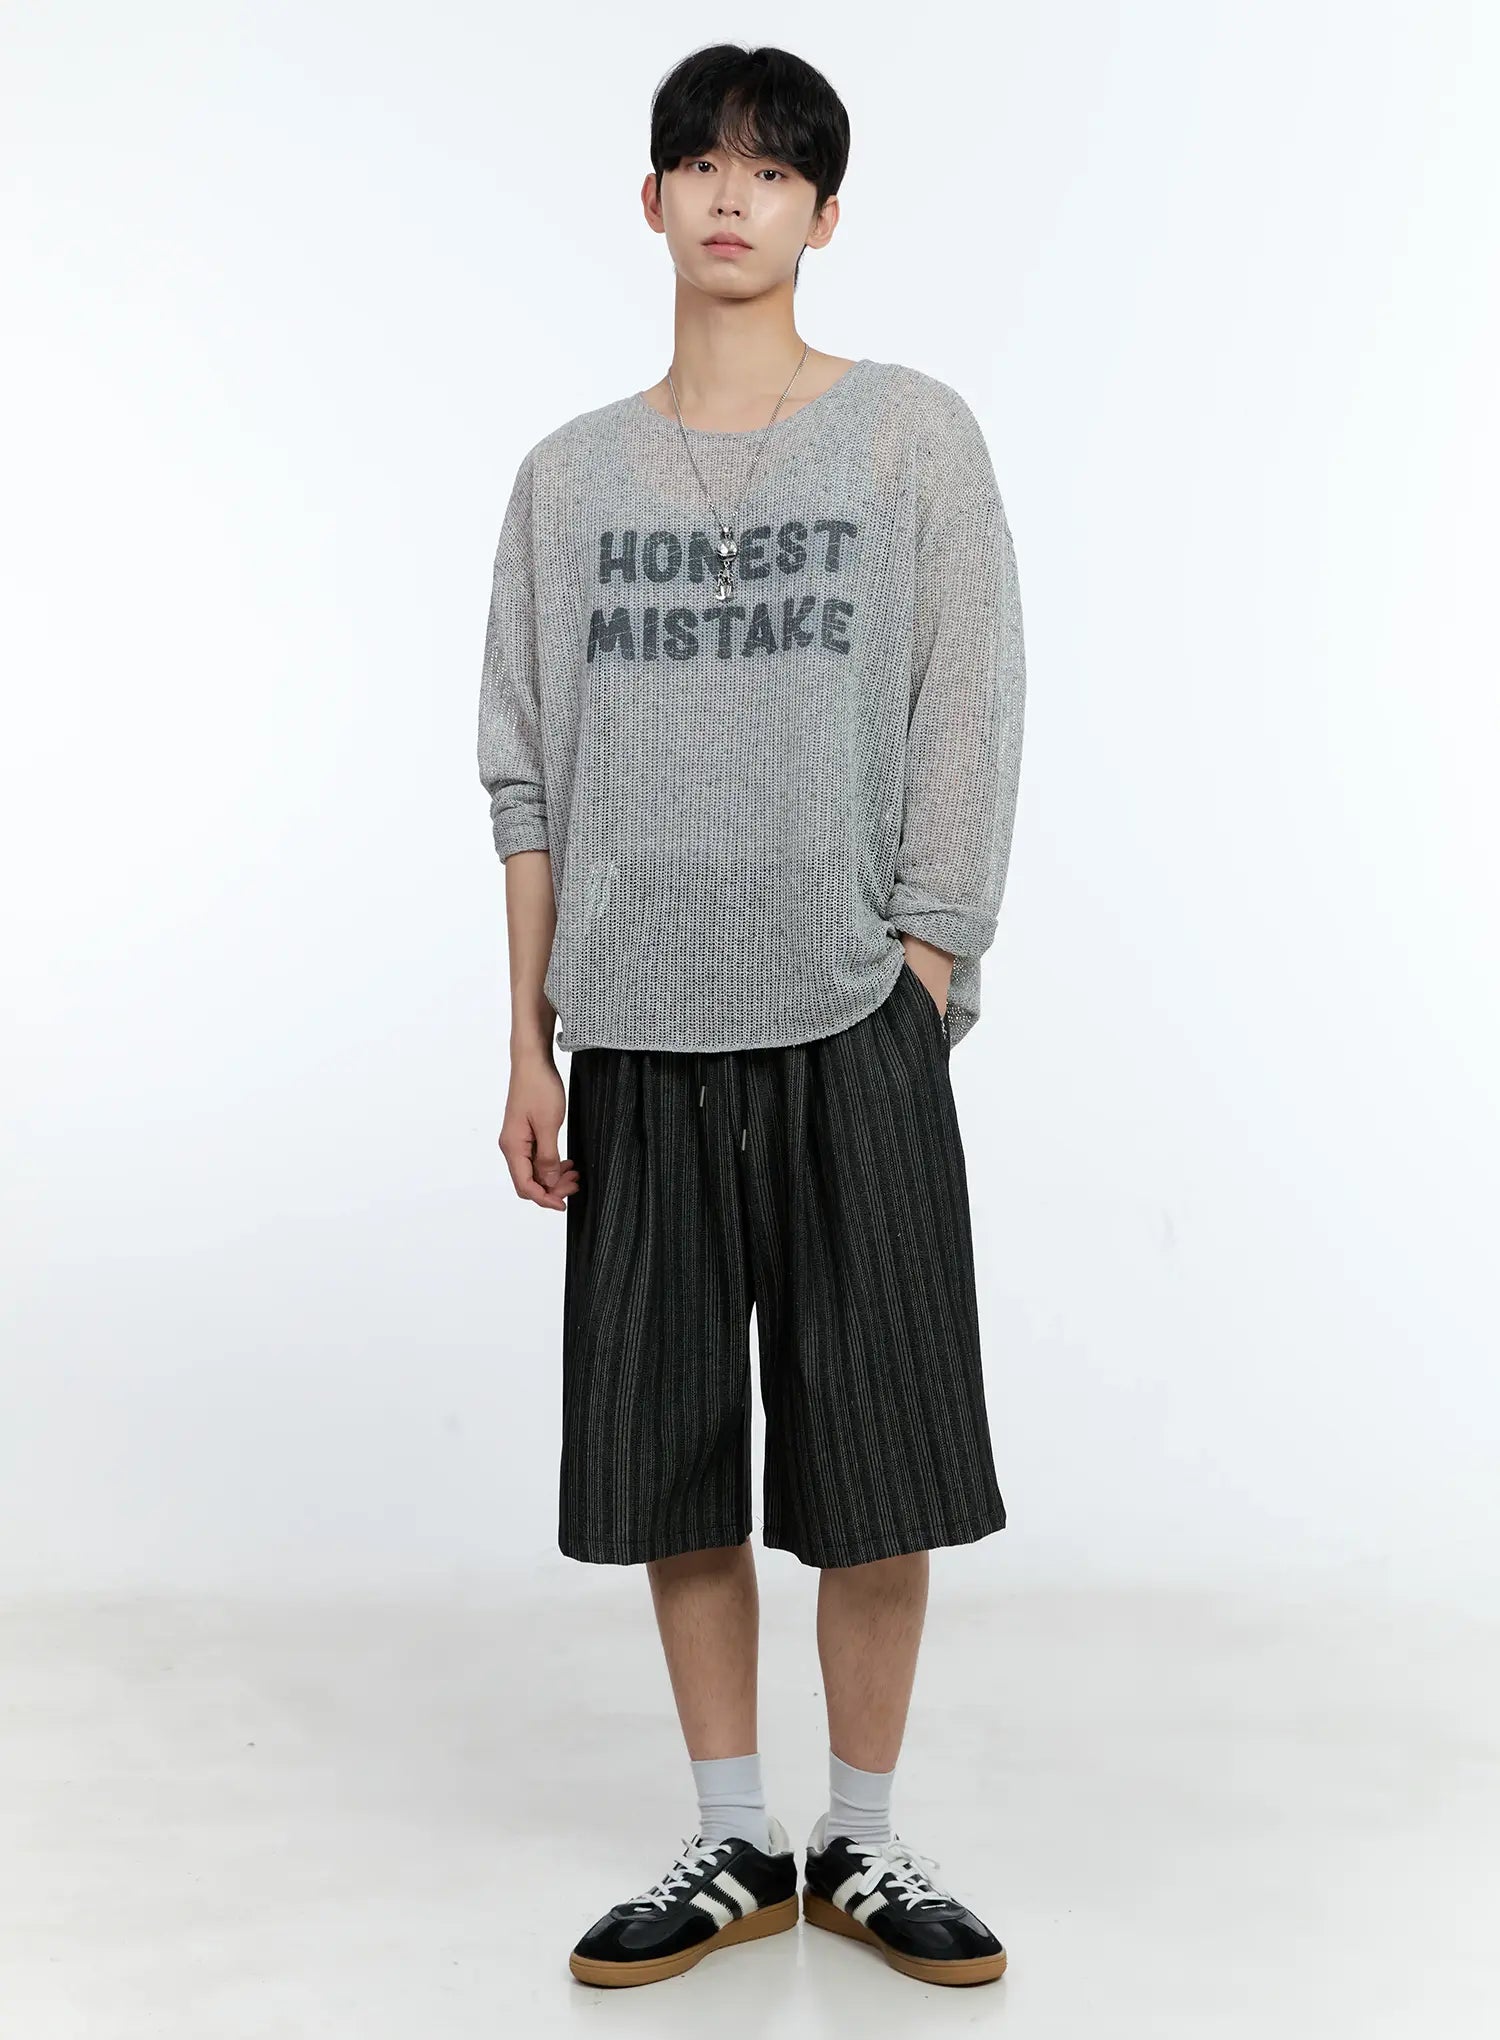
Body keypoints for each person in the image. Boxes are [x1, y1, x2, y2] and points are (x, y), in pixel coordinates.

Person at [476, 40, 1026, 1993]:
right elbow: (525, 772)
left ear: (823, 214)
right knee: (672, 1453)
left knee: (881, 1452)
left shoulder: (909, 439)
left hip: (853, 1017)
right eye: (701, 165)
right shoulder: (568, 479)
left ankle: (860, 1839)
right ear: (651, 201)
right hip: (637, 1029)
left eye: (773, 171)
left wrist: (925, 973)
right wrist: (532, 1038)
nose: (733, 196)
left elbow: (969, 704)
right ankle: (733, 1837)